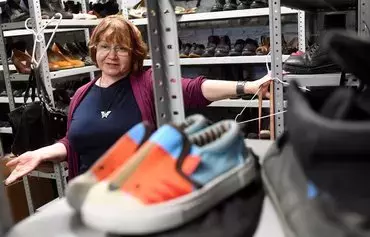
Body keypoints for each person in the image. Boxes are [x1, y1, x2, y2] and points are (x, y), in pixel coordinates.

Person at [5, 15, 272, 185]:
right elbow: (73, 142)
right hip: (90, 199)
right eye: (105, 46)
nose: (112, 55)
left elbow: (195, 88)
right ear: (94, 50)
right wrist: (41, 153)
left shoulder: (146, 83)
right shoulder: (81, 94)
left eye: (121, 48)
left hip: (139, 197)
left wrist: (247, 86)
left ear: (134, 54)